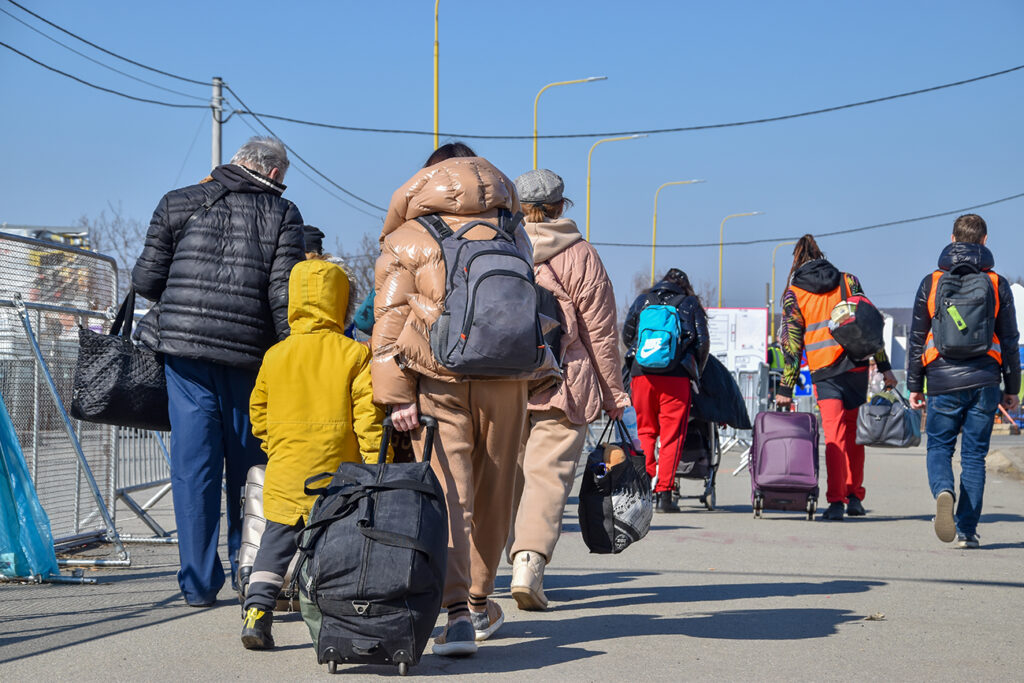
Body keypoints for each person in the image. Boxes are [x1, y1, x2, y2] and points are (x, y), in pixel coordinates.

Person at [371, 142, 556, 657]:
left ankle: (453, 616)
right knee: (496, 492)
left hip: (438, 381)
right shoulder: (513, 230)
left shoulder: (409, 237)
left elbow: (388, 325)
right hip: (508, 378)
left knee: (448, 493)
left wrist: (395, 398)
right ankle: (479, 601)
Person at [131, 136, 305, 606]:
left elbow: (146, 281)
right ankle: (248, 570)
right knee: (250, 467)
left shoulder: (178, 201)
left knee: (194, 468)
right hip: (250, 358)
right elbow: (282, 297)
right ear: (273, 173)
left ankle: (197, 584)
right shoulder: (283, 214)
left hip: (185, 354)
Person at [240, 259, 385, 649]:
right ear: (340, 303)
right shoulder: (354, 355)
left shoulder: (276, 355)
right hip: (337, 474)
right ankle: (335, 618)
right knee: (338, 543)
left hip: (287, 468)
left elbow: (259, 412)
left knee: (274, 542)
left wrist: (275, 446)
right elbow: (367, 418)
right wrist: (373, 466)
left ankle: (256, 610)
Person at [506, 169, 630, 610]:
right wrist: (614, 394)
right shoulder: (581, 255)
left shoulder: (500, 246)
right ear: (561, 207)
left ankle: (491, 569)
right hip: (563, 380)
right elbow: (600, 332)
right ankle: (528, 564)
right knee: (549, 477)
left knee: (506, 478)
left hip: (503, 381)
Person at [907, 214, 1019, 548]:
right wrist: (1012, 388)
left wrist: (915, 386)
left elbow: (916, 339)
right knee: (974, 457)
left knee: (940, 447)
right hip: (985, 380)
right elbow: (1010, 339)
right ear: (984, 241)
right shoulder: (996, 284)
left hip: (941, 379)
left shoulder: (931, 282)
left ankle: (943, 490)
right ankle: (967, 531)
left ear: (952, 238)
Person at [774, 235, 896, 521]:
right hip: (855, 365)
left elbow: (792, 343)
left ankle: (836, 501)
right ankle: (854, 496)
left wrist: (786, 386)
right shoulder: (848, 281)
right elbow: (870, 324)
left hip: (824, 371)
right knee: (855, 434)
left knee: (834, 436)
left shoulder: (794, 292)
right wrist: (885, 367)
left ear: (797, 261)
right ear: (821, 255)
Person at [622, 268, 710, 513]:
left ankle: (642, 489)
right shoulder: (689, 303)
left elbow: (627, 335)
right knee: (672, 437)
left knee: (645, 432)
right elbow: (702, 342)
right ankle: (664, 495)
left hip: (642, 375)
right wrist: (695, 371)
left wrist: (644, 356)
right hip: (676, 377)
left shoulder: (643, 300)